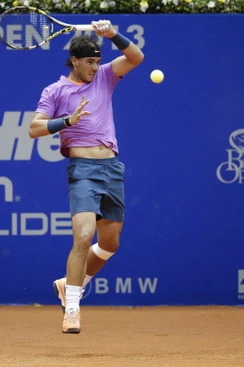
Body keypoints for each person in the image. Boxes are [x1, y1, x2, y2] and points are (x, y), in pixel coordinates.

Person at [28, 20, 144, 334]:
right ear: (75, 61)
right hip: (82, 172)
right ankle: (73, 311)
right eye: (89, 62)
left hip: (111, 169)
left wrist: (112, 35)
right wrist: (67, 120)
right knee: (83, 237)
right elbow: (34, 128)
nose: (94, 67)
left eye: (97, 61)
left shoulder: (106, 76)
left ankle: (70, 286)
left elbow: (136, 59)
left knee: (110, 243)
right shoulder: (55, 91)